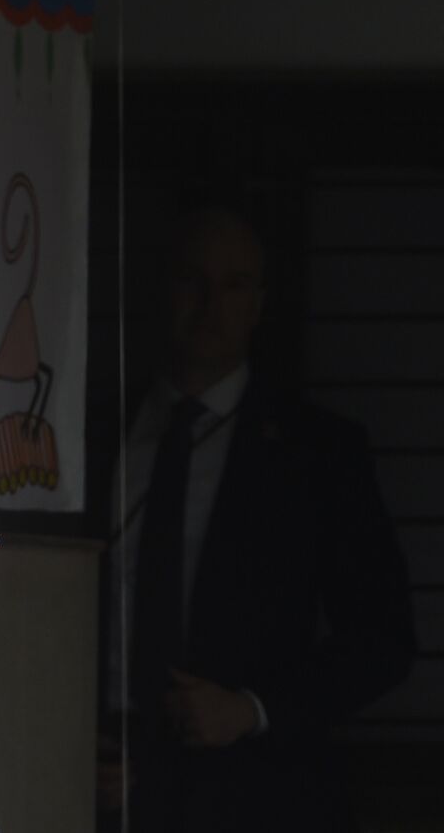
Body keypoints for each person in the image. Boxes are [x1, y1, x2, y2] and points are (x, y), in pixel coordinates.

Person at [103, 206, 414, 832]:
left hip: (254, 790)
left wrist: (253, 709)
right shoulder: (96, 435)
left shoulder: (318, 453)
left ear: (260, 301)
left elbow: (383, 640)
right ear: (164, 288)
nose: (211, 303)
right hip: (102, 772)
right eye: (193, 280)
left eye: (235, 284)